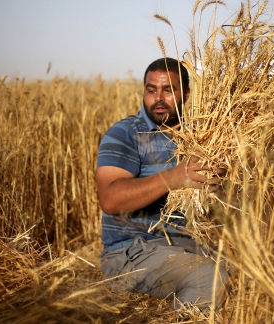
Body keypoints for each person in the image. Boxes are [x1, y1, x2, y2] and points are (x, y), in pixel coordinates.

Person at [96, 57, 228, 309]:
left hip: (189, 247)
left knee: (255, 277)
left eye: (168, 90)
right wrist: (173, 178)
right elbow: (110, 200)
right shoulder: (126, 133)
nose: (158, 97)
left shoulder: (202, 137)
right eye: (151, 89)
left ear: (186, 94)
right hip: (132, 253)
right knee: (209, 279)